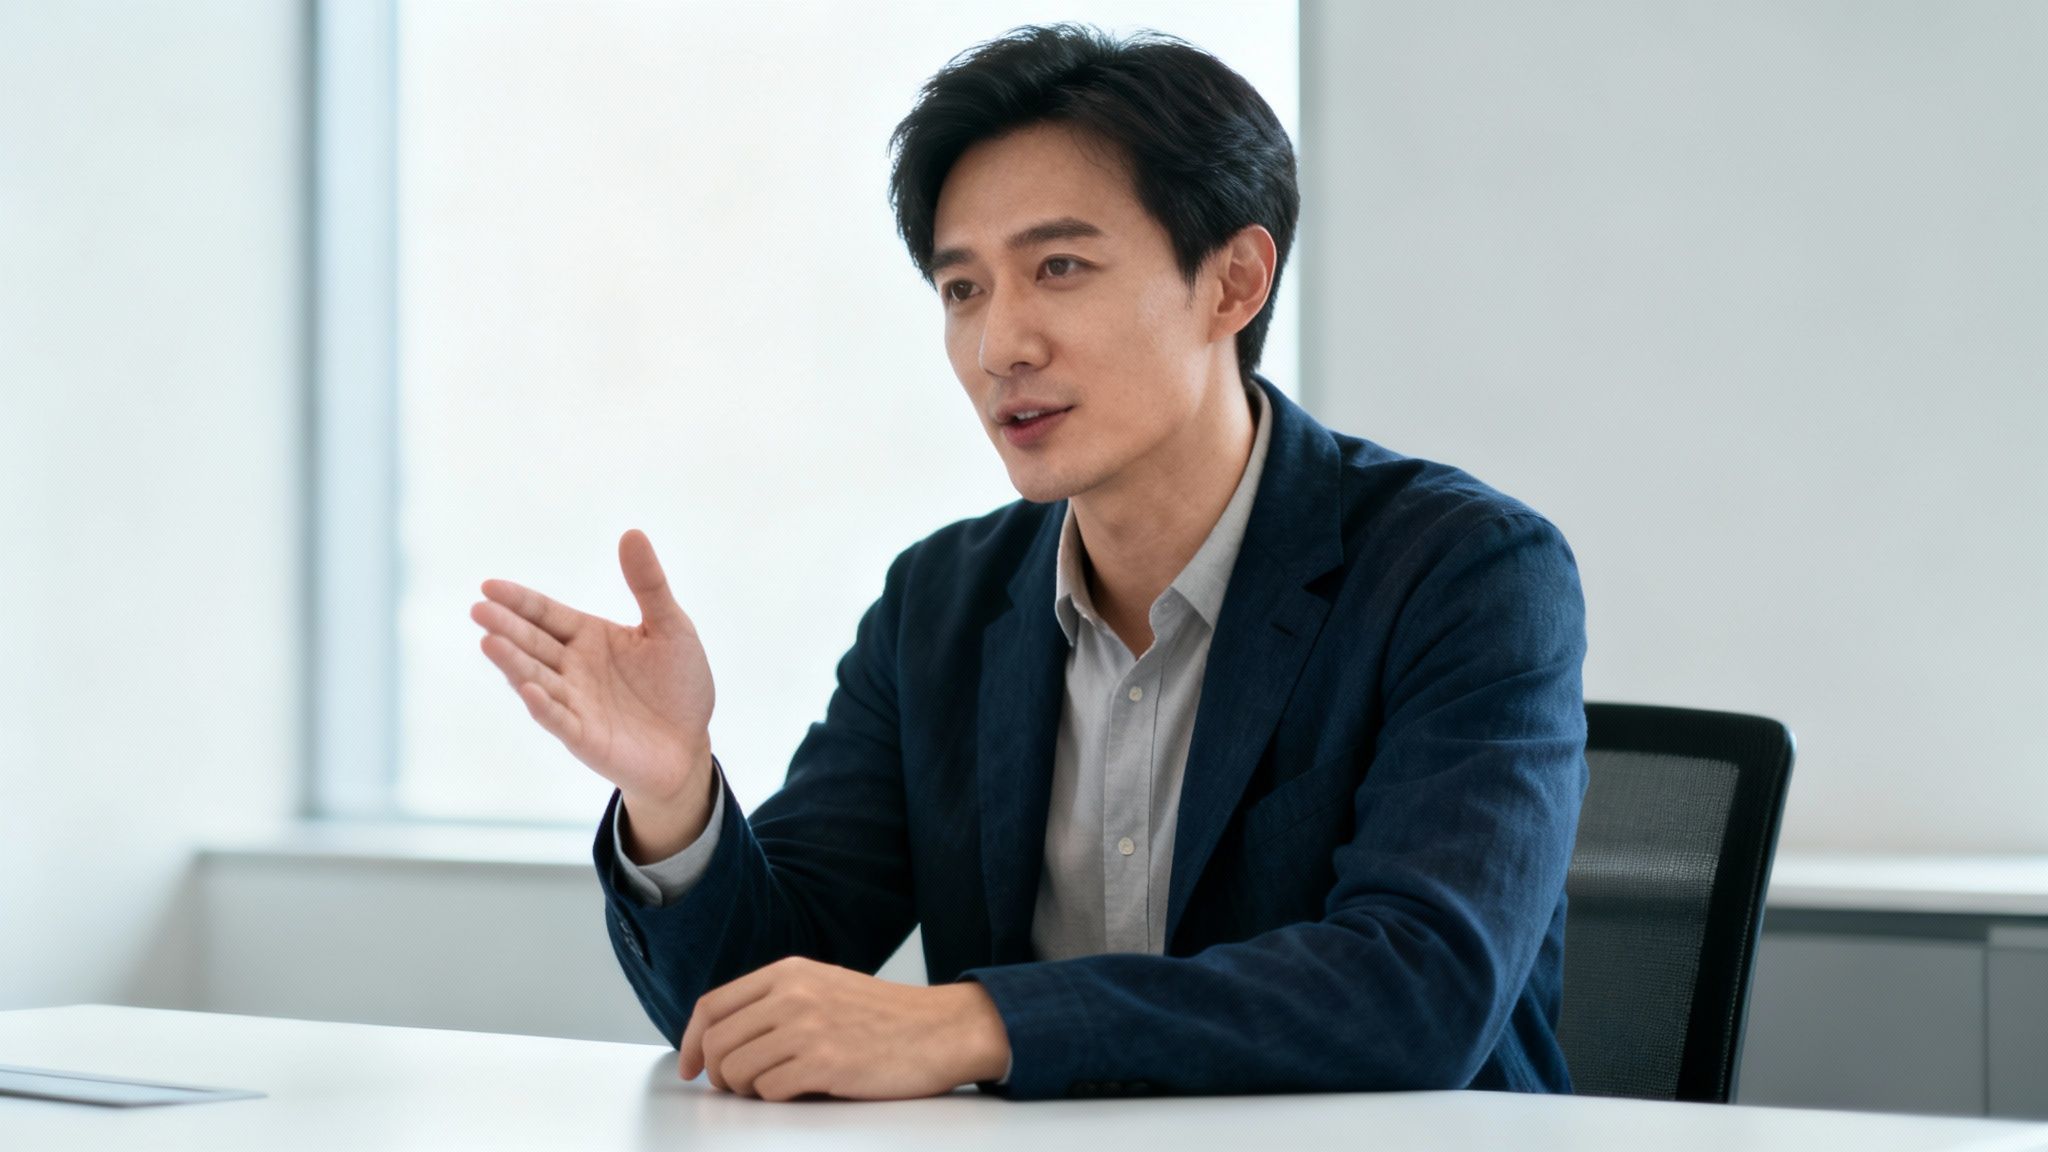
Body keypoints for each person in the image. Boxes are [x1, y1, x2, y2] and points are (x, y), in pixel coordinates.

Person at [470, 23, 1587, 1103]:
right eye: (962, 290)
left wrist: (975, 1023)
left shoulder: (1464, 573)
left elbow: (1416, 989)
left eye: (1057, 267)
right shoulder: (940, 605)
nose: (999, 344)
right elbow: (749, 1006)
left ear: (1233, 281)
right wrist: (672, 792)